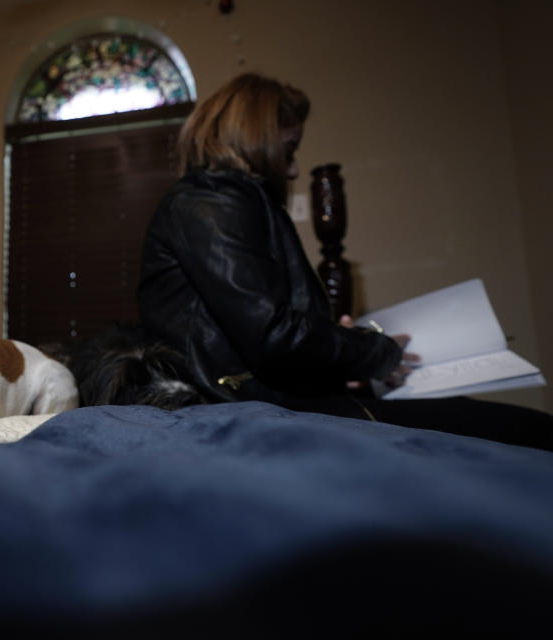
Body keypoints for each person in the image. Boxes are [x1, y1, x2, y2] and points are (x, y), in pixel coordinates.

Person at [137, 72, 553, 451]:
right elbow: (273, 339)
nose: (295, 168)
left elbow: (264, 330)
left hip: (271, 396)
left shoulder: (228, 202)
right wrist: (373, 351)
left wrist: (334, 350)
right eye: (289, 149)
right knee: (527, 433)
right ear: (256, 136)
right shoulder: (208, 203)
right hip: (241, 404)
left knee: (502, 423)